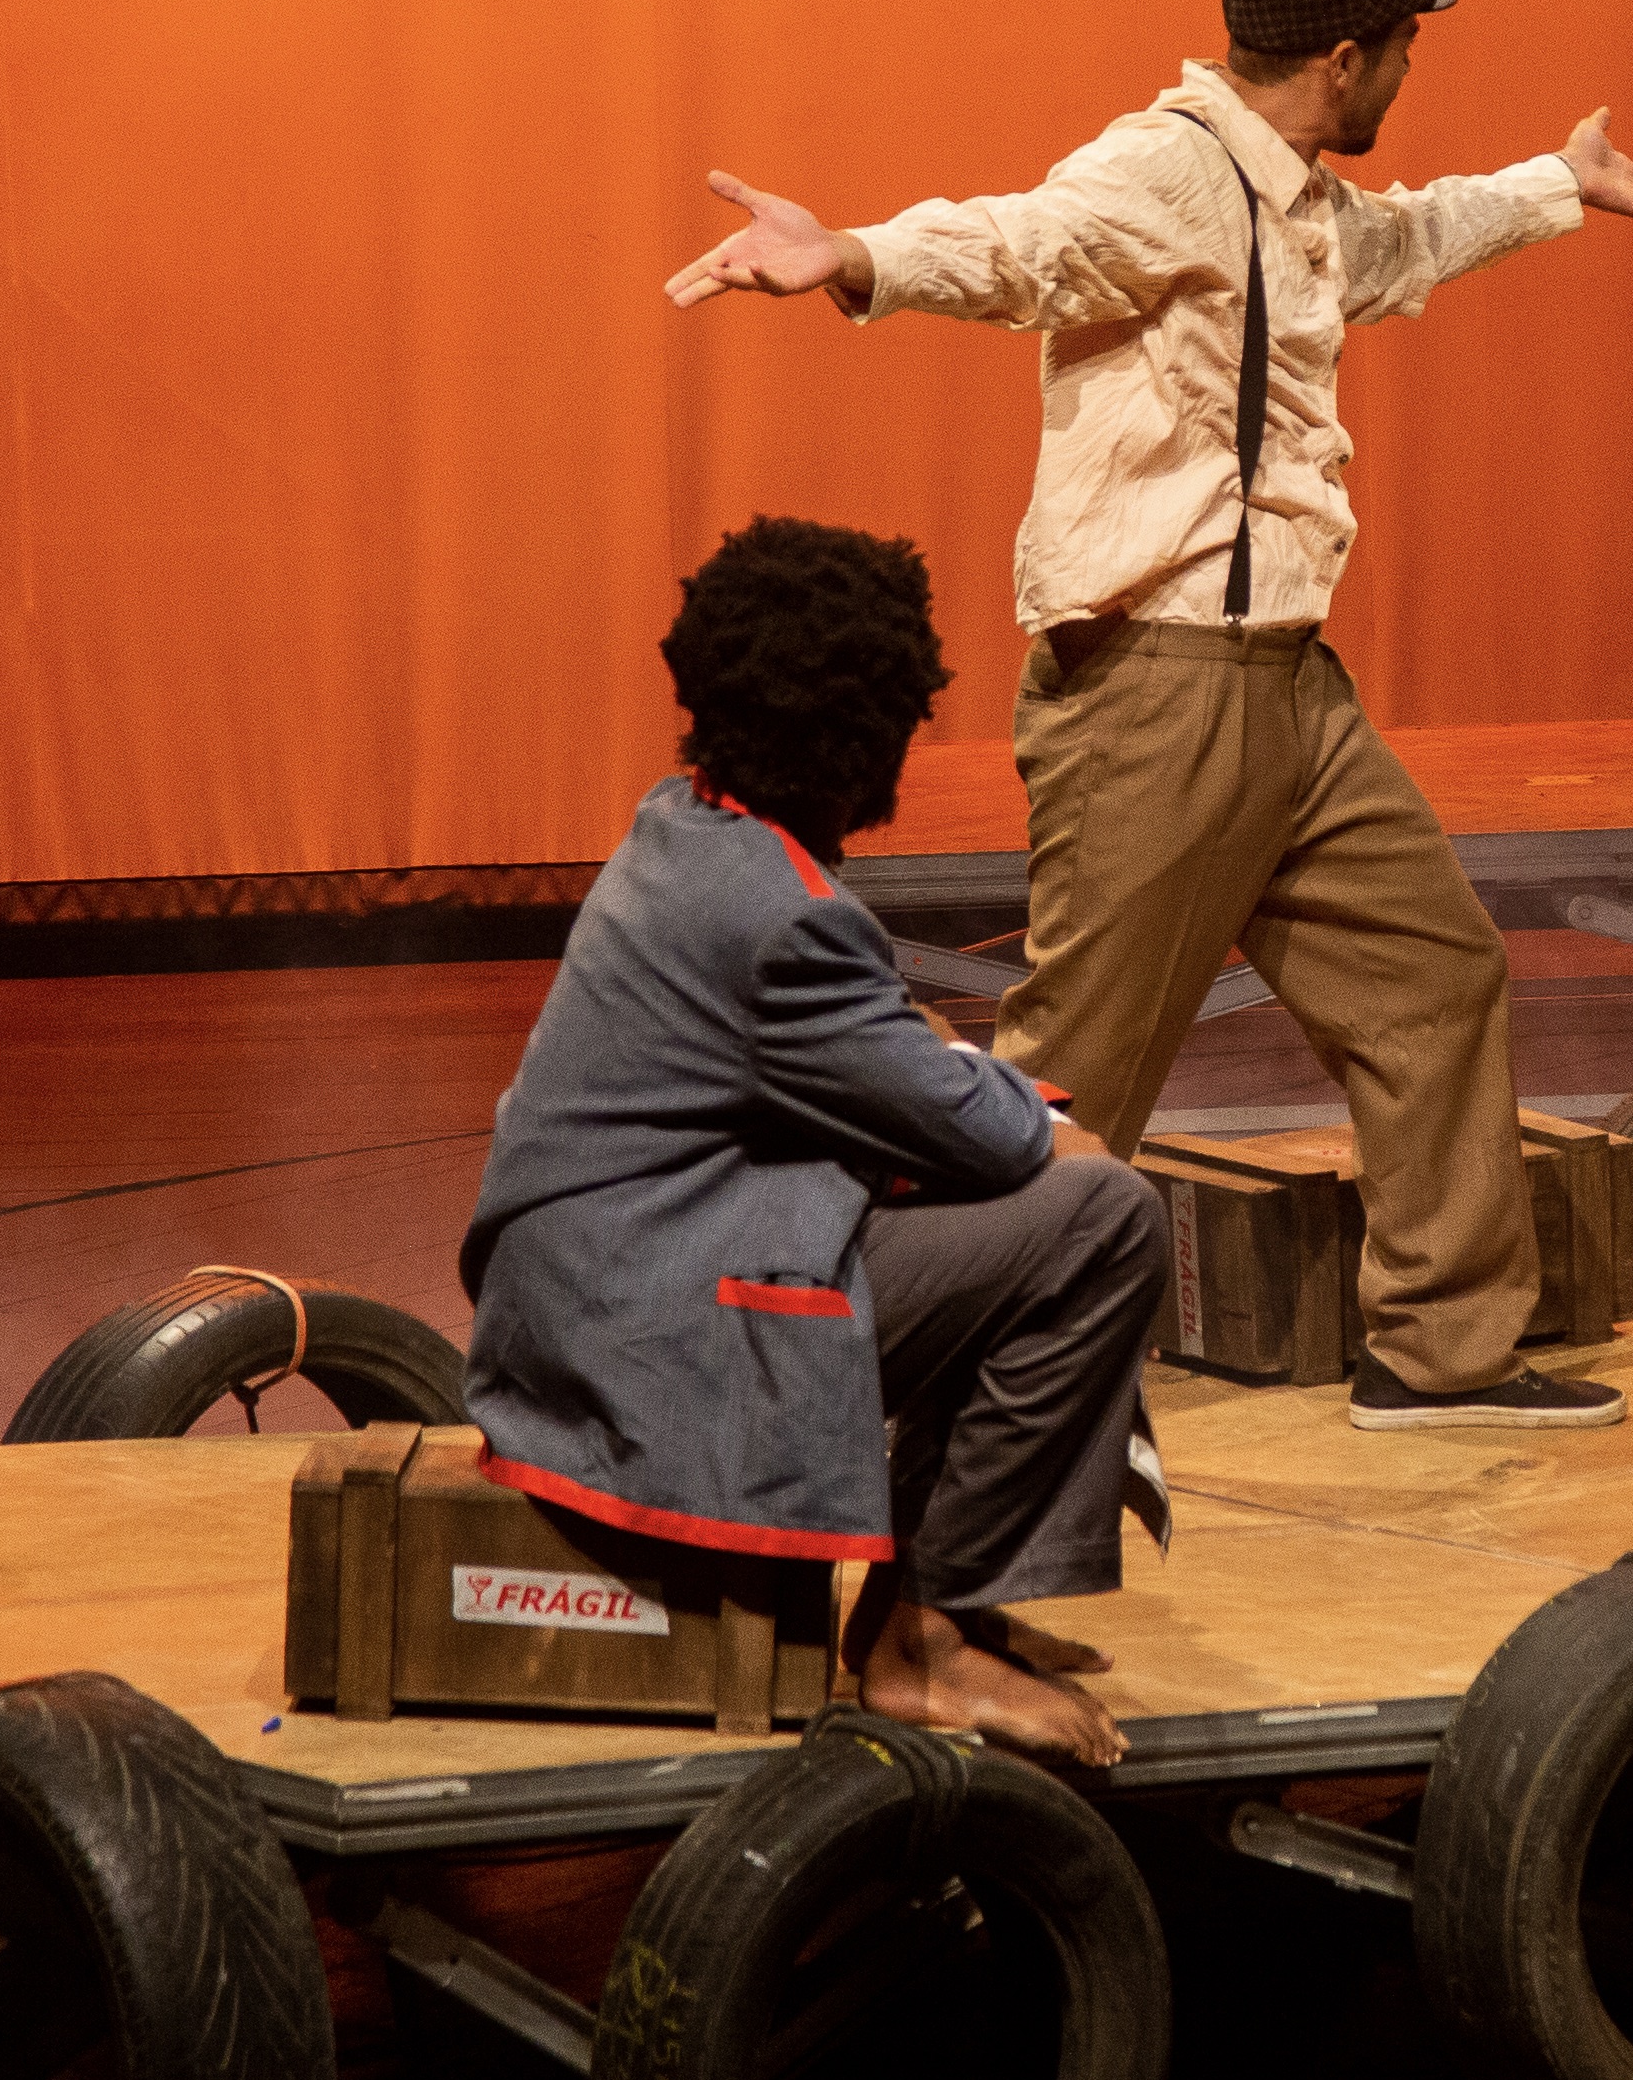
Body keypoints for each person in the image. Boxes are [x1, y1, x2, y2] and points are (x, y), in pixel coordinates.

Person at [663, 0, 1633, 1433]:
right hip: (1160, 688)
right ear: (1343, 56)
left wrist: (1558, 183)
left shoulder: (1294, 196)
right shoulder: (1170, 168)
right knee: (1072, 1071)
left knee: (1433, 974)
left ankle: (1441, 1350)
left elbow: (1399, 244)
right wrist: (857, 255)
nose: (1409, 72)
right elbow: (1025, 243)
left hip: (1290, 686)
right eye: (1405, 48)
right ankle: (876, 1389)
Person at [454, 518, 1163, 1766]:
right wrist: (1052, 1130)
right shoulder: (778, 916)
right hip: (644, 1343)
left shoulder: (691, 827)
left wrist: (946, 1071)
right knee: (1100, 1219)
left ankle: (958, 1598)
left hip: (599, 1297)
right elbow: (981, 1133)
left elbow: (887, 1066)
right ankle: (920, 1643)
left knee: (1001, 1216)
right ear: (865, 734)